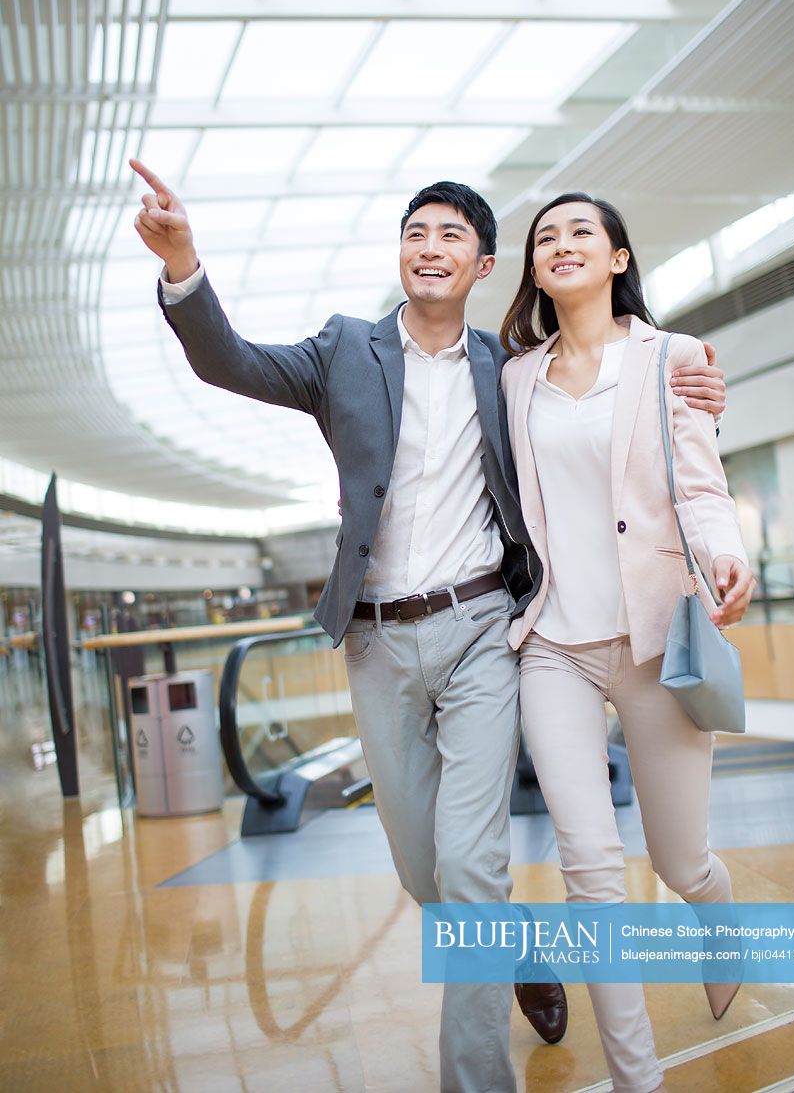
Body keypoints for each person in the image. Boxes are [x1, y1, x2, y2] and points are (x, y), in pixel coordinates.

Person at [130, 160, 726, 1092]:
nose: (430, 247)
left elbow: (629, 395)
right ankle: (518, 946)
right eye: (416, 233)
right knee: (426, 872)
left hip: (488, 630)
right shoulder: (344, 352)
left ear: (485, 265)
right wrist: (184, 268)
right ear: (400, 256)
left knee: (472, 866)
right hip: (374, 640)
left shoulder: (507, 368)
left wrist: (693, 382)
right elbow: (230, 361)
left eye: (452, 235)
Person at [499, 192, 756, 1093]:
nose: (561, 244)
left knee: (680, 857)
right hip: (552, 646)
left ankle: (717, 912)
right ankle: (635, 1081)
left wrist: (727, 556)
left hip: (657, 641)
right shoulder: (512, 376)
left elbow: (701, 486)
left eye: (581, 232)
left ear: (616, 258)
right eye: (544, 237)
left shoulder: (671, 358)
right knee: (590, 871)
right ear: (532, 270)